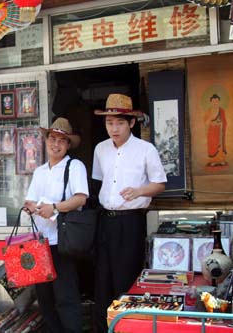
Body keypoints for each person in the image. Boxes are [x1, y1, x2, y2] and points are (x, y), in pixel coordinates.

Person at [92, 93, 167, 332]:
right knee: (102, 280)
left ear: (131, 123)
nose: (114, 128)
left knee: (126, 280)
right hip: (105, 222)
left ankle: (128, 328)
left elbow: (160, 184)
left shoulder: (146, 149)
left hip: (131, 222)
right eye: (109, 123)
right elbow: (100, 182)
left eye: (120, 123)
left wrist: (139, 191)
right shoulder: (100, 149)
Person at [24, 117, 89, 333]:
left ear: (68, 144)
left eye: (62, 140)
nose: (56, 144)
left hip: (62, 242)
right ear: (46, 140)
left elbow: (81, 198)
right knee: (45, 298)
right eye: (52, 138)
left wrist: (55, 207)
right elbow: (30, 199)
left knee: (66, 297)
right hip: (40, 243)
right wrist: (31, 207)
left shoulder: (74, 166)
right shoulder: (40, 171)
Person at [204, 93, 228, 168]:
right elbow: (206, 122)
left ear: (219, 102)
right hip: (211, 131)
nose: (215, 103)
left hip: (219, 131)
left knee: (220, 146)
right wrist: (211, 121)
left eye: (217, 101)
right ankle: (213, 161)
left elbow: (224, 121)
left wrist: (220, 123)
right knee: (212, 146)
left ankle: (221, 160)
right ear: (211, 102)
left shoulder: (222, 110)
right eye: (213, 101)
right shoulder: (209, 111)